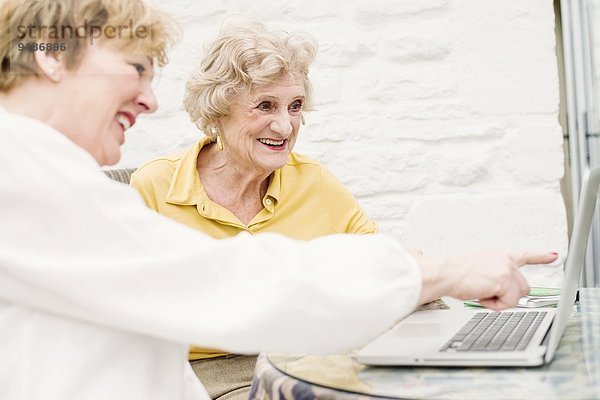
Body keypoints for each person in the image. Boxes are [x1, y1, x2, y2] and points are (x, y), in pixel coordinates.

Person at [0, 1, 557, 399]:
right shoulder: (20, 179)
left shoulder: (48, 173)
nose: (149, 99)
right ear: (53, 56)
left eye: (295, 107)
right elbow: (222, 283)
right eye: (137, 68)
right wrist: (444, 271)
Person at [129, 22, 378, 400]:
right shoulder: (156, 188)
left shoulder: (315, 182)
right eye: (265, 106)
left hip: (305, 365)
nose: (285, 126)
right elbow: (126, 313)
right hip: (201, 377)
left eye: (294, 107)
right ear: (218, 111)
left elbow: (377, 264)